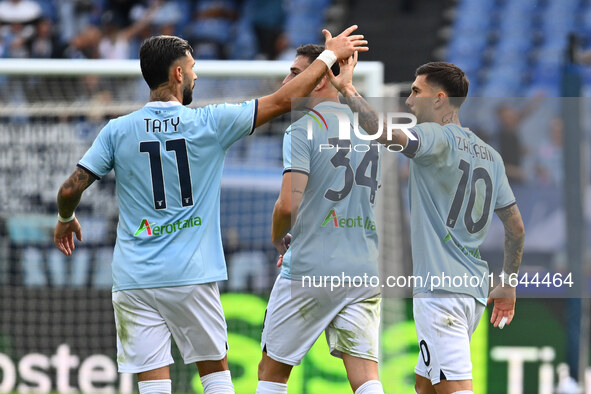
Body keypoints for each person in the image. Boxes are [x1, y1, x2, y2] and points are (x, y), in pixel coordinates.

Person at [53, 28, 368, 394]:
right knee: (215, 376)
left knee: (152, 382)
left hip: (134, 277)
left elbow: (69, 188)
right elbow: (284, 101)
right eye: (193, 67)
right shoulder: (209, 123)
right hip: (192, 274)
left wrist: (64, 219)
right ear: (178, 74)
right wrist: (329, 56)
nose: (197, 74)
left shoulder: (116, 130)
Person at [330, 57, 525, 394]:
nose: (408, 100)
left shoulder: (435, 135)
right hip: (471, 294)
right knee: (425, 387)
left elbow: (383, 133)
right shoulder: (490, 155)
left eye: (415, 91)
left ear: (439, 99)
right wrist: (508, 283)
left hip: (441, 294)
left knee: (454, 388)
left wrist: (348, 90)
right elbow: (516, 227)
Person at [257, 44, 384, 394]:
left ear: (319, 79)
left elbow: (287, 206)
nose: (286, 81)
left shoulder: (303, 129)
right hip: (362, 268)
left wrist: (277, 238)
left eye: (296, 74)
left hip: (312, 267)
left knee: (271, 373)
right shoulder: (368, 130)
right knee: (365, 378)